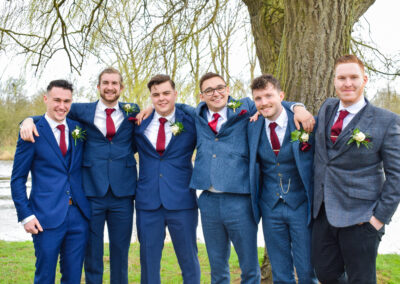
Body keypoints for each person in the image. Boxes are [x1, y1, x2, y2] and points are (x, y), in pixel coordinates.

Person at [166, 72, 315, 283]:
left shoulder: (246, 108)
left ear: (228, 90)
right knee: (218, 268)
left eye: (220, 88)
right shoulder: (197, 114)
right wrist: (151, 107)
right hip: (208, 200)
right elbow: (174, 105)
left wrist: (297, 107)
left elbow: (272, 101)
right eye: (209, 90)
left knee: (251, 268)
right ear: (201, 96)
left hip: (240, 198)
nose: (215, 93)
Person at [19, 68, 139, 284]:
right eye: (105, 83)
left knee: (120, 255)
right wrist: (26, 120)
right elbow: (53, 115)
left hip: (122, 193)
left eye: (114, 83)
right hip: (91, 194)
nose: (110, 87)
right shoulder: (81, 111)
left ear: (121, 87)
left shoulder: (132, 111)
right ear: (98, 87)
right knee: (91, 256)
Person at [312, 54, 400, 284]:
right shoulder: (327, 108)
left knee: (361, 280)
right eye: (342, 78)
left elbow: (397, 176)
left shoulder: (386, 121)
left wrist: (378, 219)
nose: (347, 83)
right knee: (325, 274)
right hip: (323, 214)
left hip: (361, 218)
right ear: (334, 81)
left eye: (353, 77)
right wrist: (296, 107)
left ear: (365, 79)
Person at [11, 80, 91, 283]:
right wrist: (26, 215)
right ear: (45, 99)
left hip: (78, 216)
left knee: (73, 278)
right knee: (45, 277)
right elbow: (18, 179)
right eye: (56, 100)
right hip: (44, 217)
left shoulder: (78, 129)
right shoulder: (31, 132)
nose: (61, 106)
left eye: (66, 101)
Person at [248, 74, 317, 284]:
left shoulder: (302, 121)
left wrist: (298, 107)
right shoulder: (252, 124)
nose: (264, 102)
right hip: (270, 208)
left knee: (306, 271)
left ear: (281, 95)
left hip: (301, 206)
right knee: (280, 273)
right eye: (258, 98)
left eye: (269, 96)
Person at [134, 74, 200, 283]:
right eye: (156, 95)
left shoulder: (190, 121)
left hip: (182, 201)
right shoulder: (139, 123)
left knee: (189, 260)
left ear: (175, 94)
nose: (161, 98)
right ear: (150, 97)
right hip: (147, 202)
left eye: (166, 93)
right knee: (148, 262)